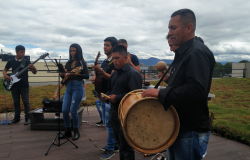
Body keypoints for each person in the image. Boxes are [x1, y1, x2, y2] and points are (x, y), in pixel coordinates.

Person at [142, 9, 215, 160]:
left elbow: (197, 90)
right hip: (178, 127)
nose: (169, 33)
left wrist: (160, 93)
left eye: (173, 28)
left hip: (189, 129)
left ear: (188, 28)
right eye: (169, 28)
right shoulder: (184, 53)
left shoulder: (197, 52)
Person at [104, 45, 142, 160]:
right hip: (114, 112)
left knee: (127, 147)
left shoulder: (133, 74)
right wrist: (107, 96)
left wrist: (118, 97)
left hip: (127, 115)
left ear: (126, 58)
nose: (114, 61)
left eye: (117, 58)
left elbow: (135, 96)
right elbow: (111, 89)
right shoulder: (114, 73)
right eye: (113, 58)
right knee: (120, 144)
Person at [91, 37, 119, 159]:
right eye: (104, 44)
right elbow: (100, 76)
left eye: (107, 45)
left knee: (109, 124)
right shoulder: (104, 61)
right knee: (107, 122)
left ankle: (110, 149)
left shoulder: (115, 61)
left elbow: (112, 78)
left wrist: (100, 71)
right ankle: (115, 144)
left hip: (110, 95)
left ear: (113, 47)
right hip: (102, 94)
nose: (104, 47)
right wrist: (95, 78)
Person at [59, 43, 89, 141]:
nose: (72, 52)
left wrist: (75, 74)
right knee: (64, 110)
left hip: (77, 87)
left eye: (74, 51)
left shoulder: (82, 63)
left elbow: (86, 76)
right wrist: (62, 73)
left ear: (78, 51)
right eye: (71, 51)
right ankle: (68, 130)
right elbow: (64, 77)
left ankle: (76, 130)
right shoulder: (69, 62)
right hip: (69, 87)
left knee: (73, 110)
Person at [3, 45, 37, 125]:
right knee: (16, 102)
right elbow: (5, 70)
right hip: (14, 85)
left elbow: (34, 72)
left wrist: (33, 68)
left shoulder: (27, 61)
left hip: (24, 85)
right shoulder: (11, 61)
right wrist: (6, 76)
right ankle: (16, 118)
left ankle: (27, 119)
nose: (23, 54)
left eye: (24, 52)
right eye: (21, 52)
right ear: (16, 52)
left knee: (26, 102)